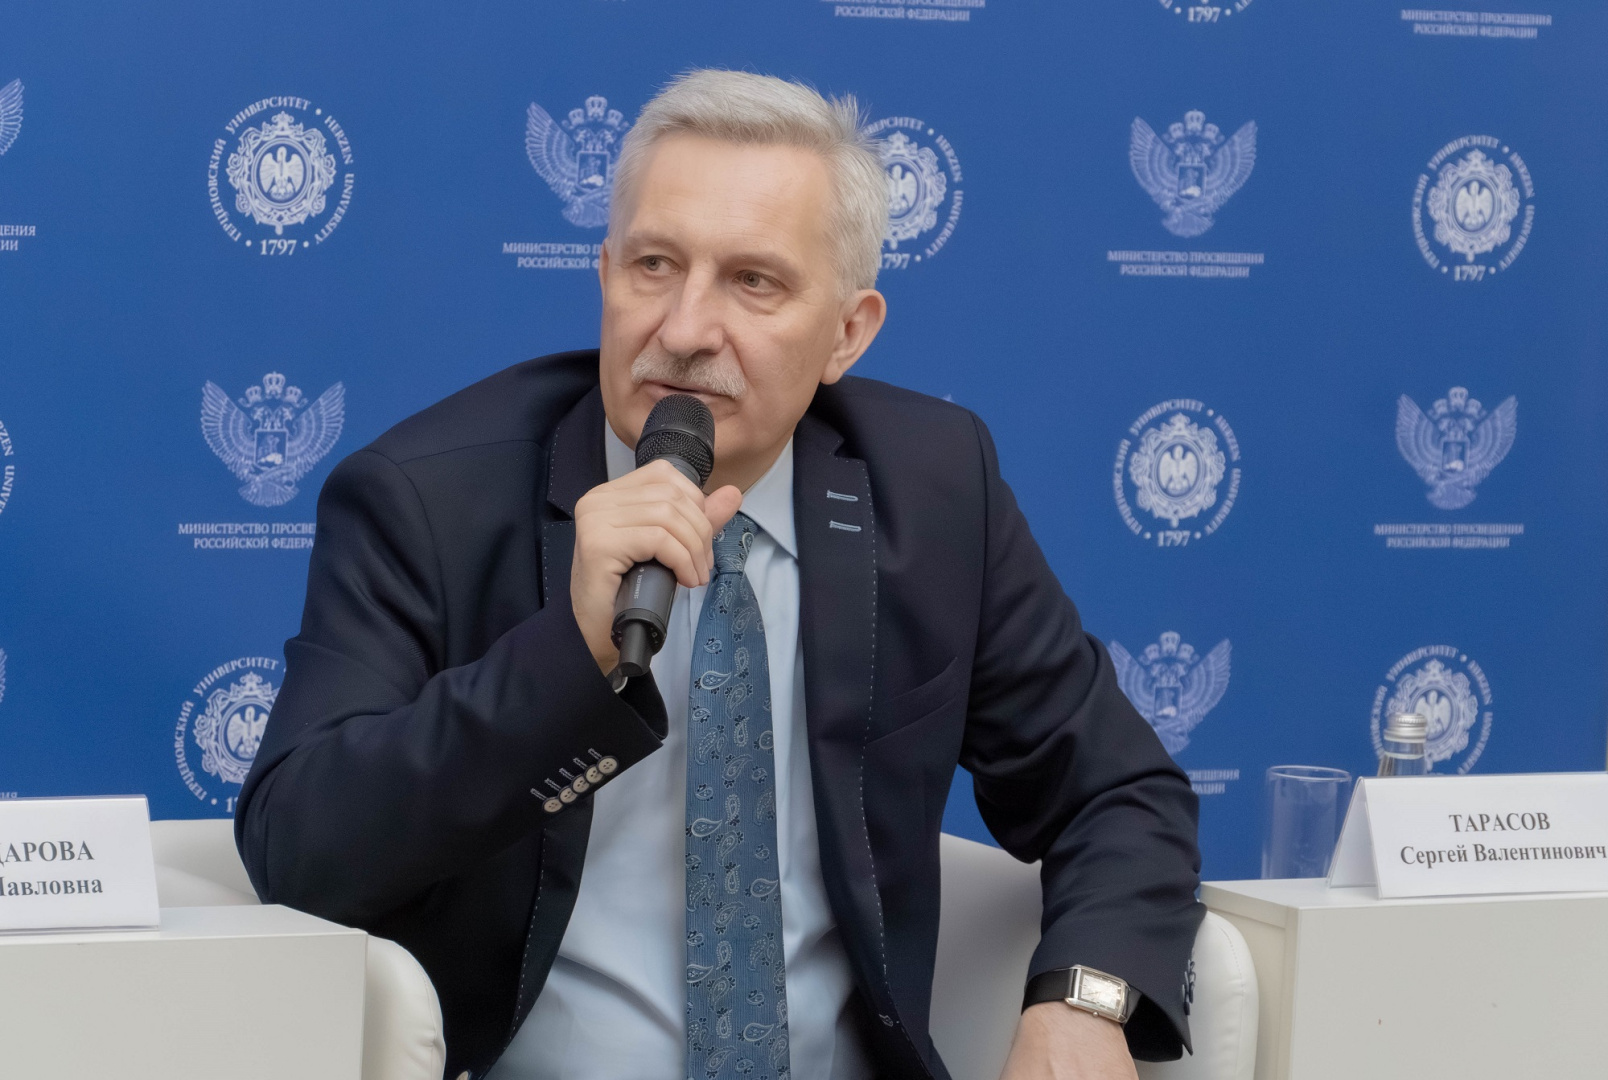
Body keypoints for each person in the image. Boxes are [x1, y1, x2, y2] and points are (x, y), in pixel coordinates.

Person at [236, 70, 1202, 1080]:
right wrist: (567, 659)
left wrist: (1083, 1004)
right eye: (654, 265)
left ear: (848, 331)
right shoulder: (424, 502)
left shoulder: (934, 490)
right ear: (604, 274)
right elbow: (300, 849)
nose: (686, 329)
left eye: (754, 282)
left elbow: (1118, 792)